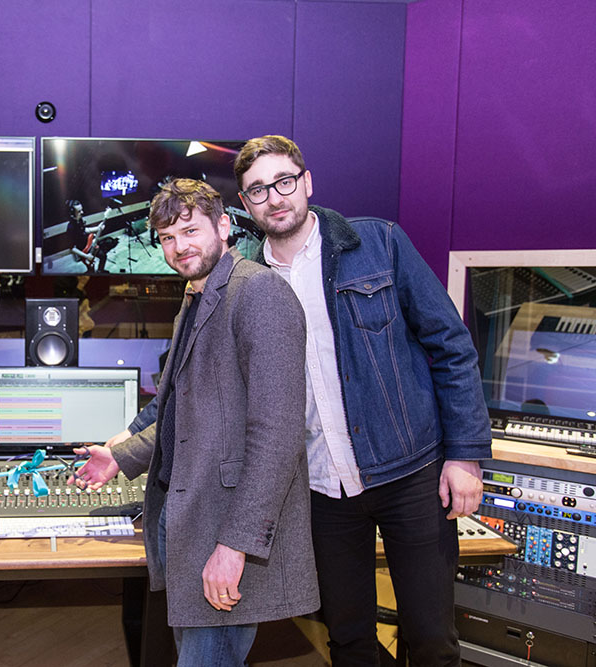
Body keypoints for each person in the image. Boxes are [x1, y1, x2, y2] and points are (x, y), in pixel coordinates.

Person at [114, 136, 492, 665]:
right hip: (320, 486)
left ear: (306, 182)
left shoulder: (378, 243)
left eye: (284, 181)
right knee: (348, 635)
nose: (274, 197)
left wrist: (465, 453)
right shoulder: (242, 281)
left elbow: (452, 346)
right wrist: (125, 448)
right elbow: (195, 391)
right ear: (243, 208)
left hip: (409, 471)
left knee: (431, 636)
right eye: (257, 190)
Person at [72, 178, 318, 666]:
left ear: (224, 226)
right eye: (167, 237)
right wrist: (120, 458)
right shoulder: (197, 295)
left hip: (222, 530)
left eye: (190, 231)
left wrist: (234, 546)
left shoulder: (259, 293)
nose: (179, 247)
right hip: (189, 521)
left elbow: (278, 436)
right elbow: (182, 412)